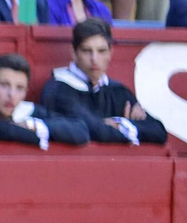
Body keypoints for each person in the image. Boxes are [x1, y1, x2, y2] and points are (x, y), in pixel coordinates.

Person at [40, 17, 169, 145]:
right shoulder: (57, 89)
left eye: (101, 51)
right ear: (74, 52)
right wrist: (132, 127)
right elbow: (92, 130)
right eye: (86, 51)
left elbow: (159, 131)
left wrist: (121, 124)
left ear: (110, 53)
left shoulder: (118, 91)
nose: (94, 59)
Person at [0, 52, 91, 147]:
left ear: (26, 91)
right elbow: (5, 130)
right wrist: (36, 138)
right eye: (4, 85)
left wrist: (33, 126)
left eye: (19, 88)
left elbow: (80, 130)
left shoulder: (28, 110)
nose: (11, 94)